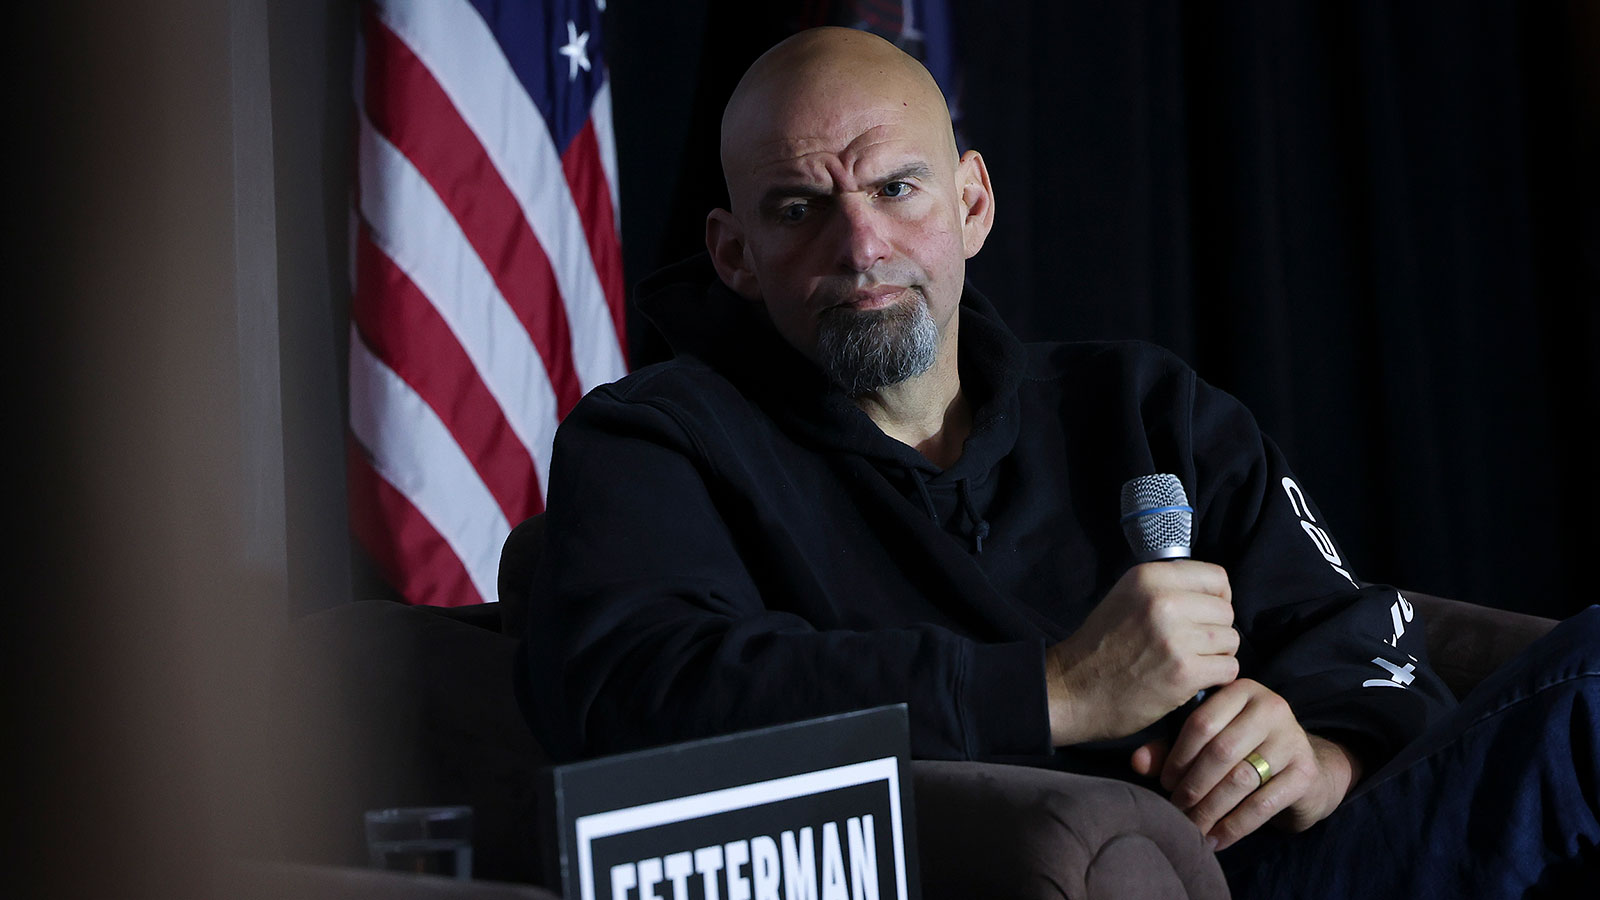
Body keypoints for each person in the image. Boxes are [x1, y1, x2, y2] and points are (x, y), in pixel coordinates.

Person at [523, 26, 1598, 898]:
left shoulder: (1137, 404)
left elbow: (1356, 630)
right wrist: (1054, 692)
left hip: (1317, 858)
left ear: (972, 203)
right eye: (798, 209)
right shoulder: (654, 442)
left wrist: (1322, 753)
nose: (859, 248)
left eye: (896, 188)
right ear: (731, 254)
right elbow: (637, 691)